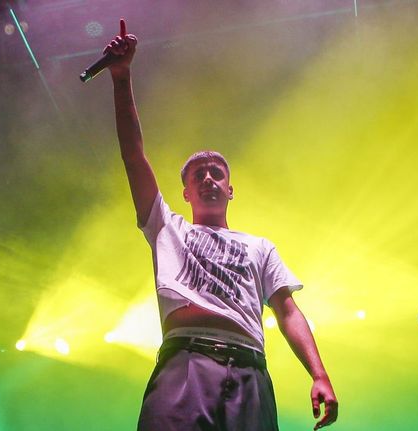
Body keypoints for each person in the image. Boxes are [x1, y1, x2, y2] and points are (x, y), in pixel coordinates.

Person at [103, 19, 338, 431]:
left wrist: (319, 374)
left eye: (216, 173)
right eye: (199, 175)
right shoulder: (167, 228)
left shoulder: (259, 246)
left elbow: (288, 311)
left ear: (230, 190)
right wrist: (122, 78)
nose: (209, 178)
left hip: (250, 369)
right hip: (186, 362)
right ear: (186, 193)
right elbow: (133, 155)